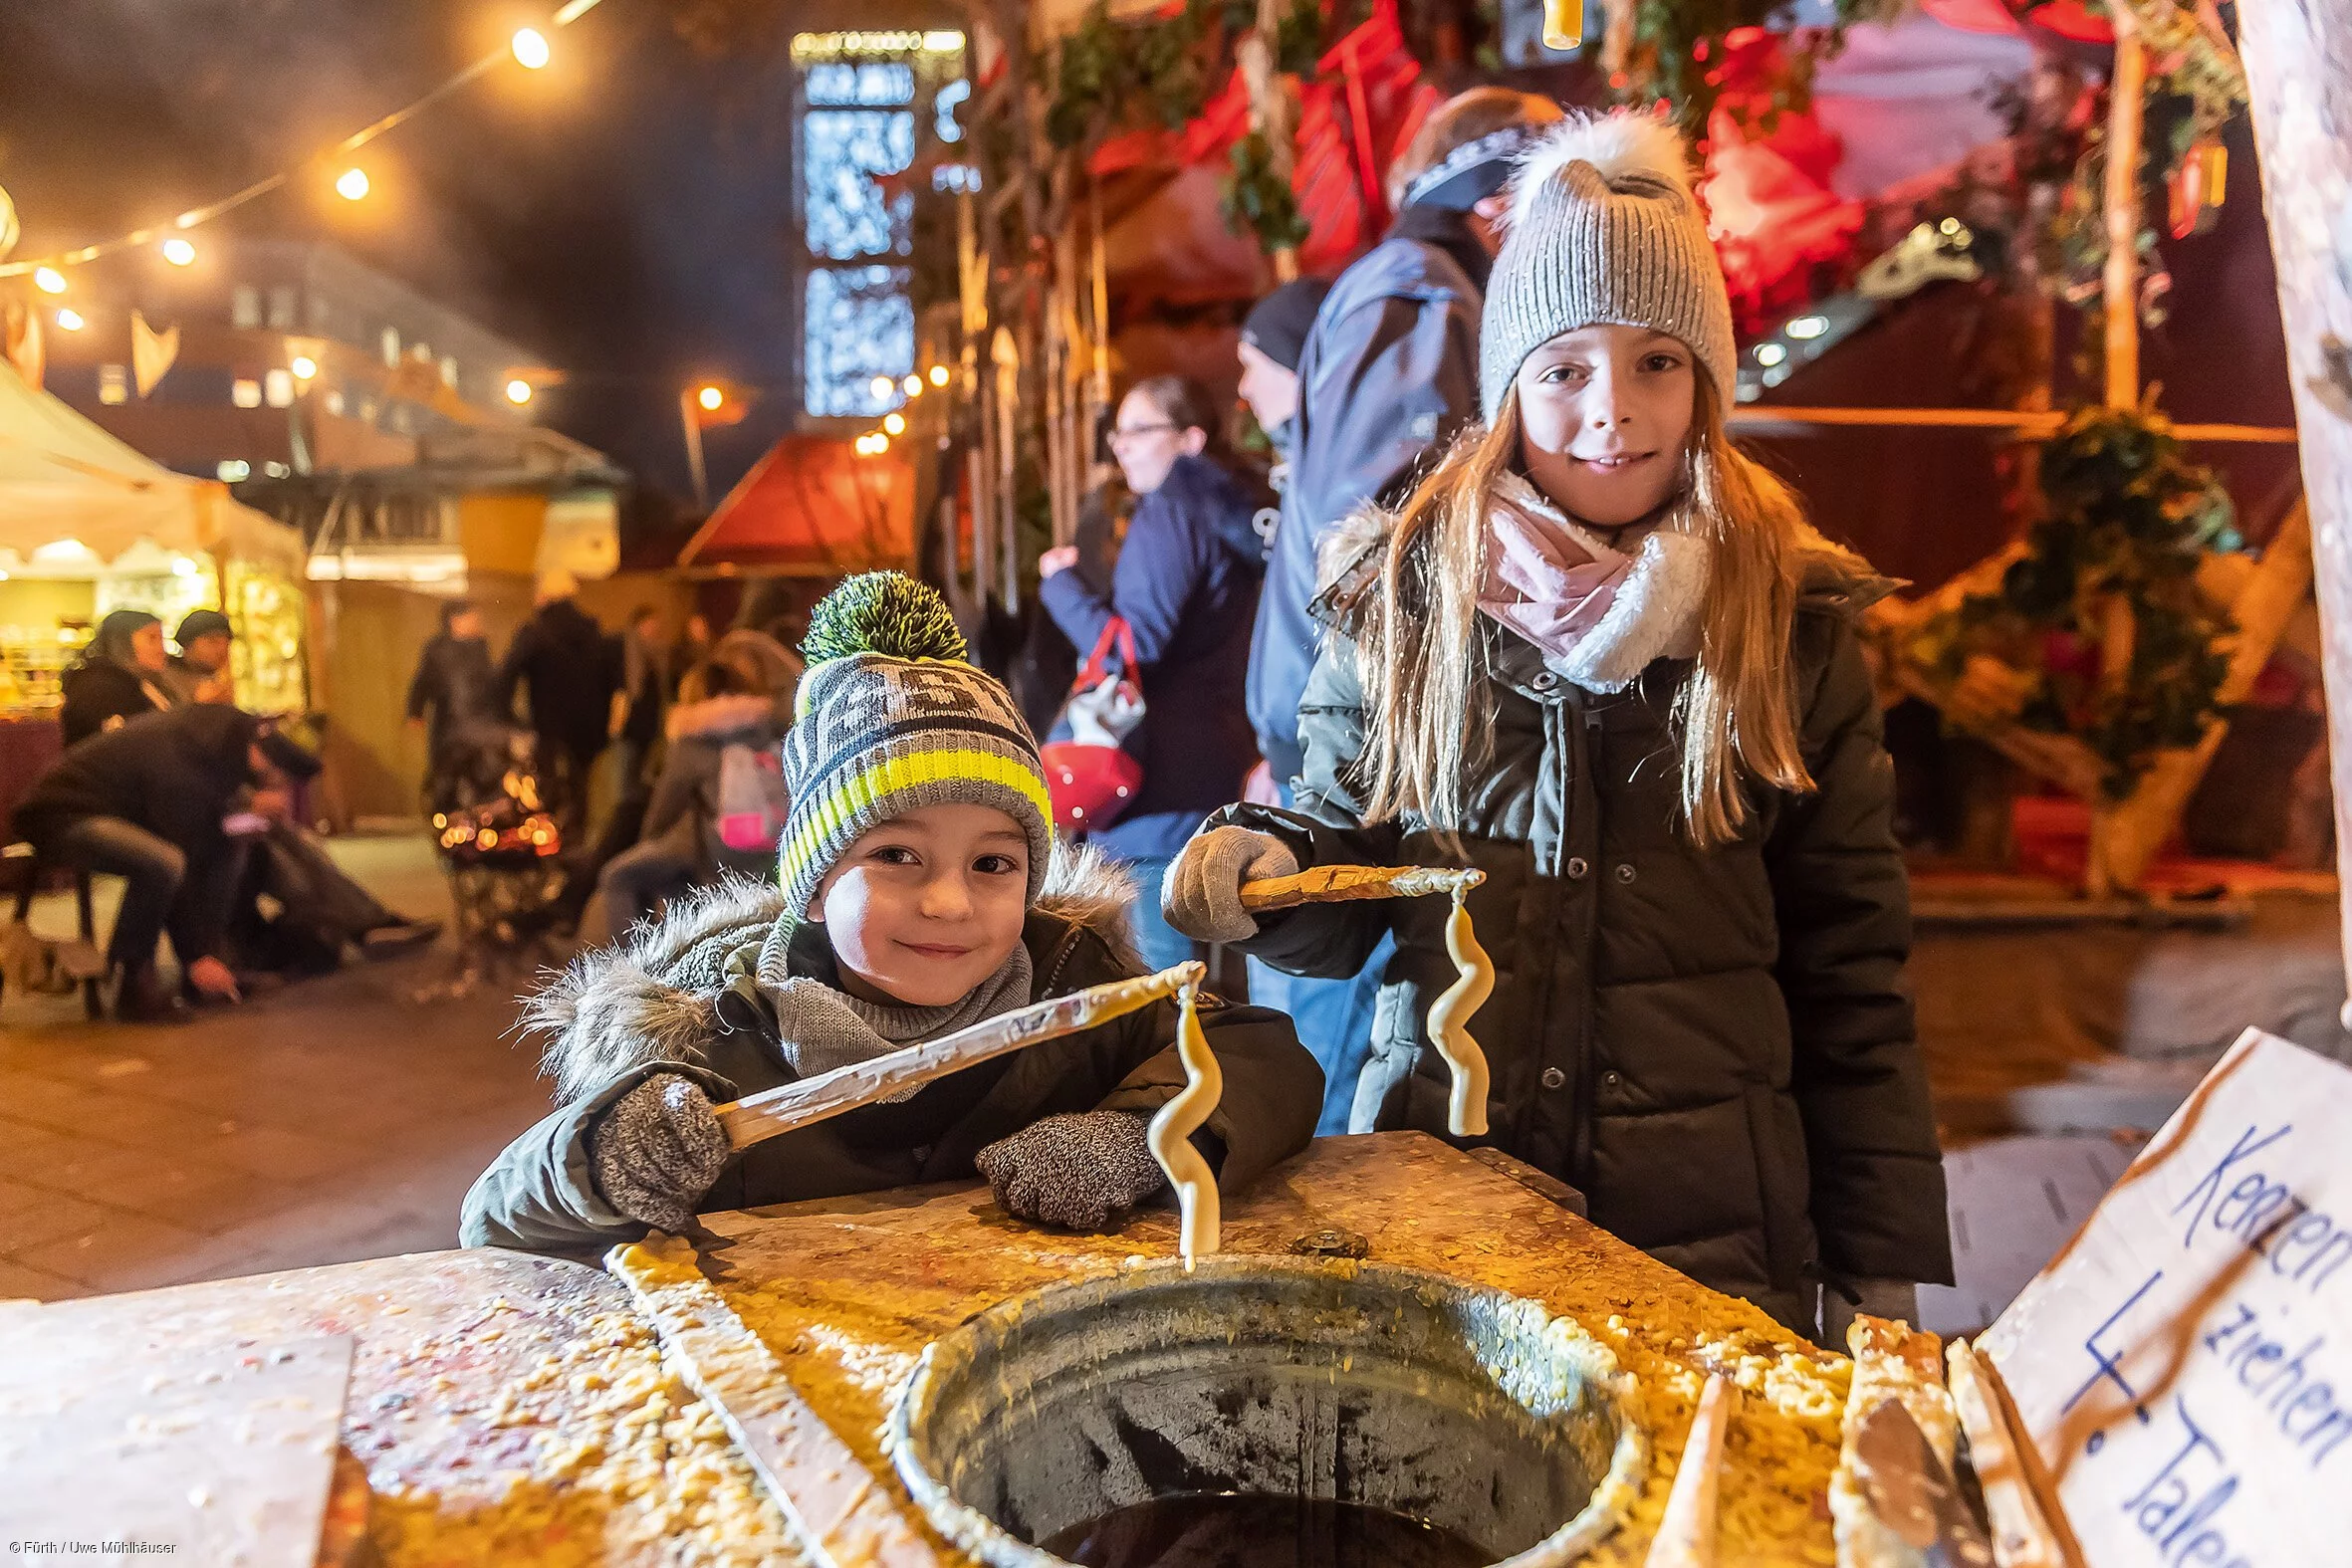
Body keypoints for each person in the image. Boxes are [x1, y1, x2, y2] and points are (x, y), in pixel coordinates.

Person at [1164, 113, 1953, 1339]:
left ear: (1705, 382)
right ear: (1510, 386)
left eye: (1657, 363)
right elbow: (1340, 841)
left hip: (1708, 1225)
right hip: (1448, 1182)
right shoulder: (1405, 599)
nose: (1612, 411)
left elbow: (1851, 960)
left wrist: (1875, 1254)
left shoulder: (1782, 619)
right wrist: (1268, 864)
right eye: (1564, 367)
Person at [460, 572, 1320, 1251]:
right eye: (896, 855)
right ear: (818, 877)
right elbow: (495, 1224)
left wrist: (1141, 1138)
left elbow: (1261, 1057)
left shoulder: (1076, 989)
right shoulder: (709, 1039)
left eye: (993, 863)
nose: (949, 900)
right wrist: (602, 1162)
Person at [1243, 88, 1563, 1129]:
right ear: (1492, 210)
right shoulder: (1427, 295)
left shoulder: (1408, 284)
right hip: (1368, 772)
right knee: (1336, 1121)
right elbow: (1385, 544)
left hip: (1350, 759)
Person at [1037, 375, 1271, 972]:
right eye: (1118, 432)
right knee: (1212, 978)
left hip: (1153, 788)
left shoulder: (1171, 511)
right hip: (1213, 763)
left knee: (1152, 990)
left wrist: (1062, 589)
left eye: (1140, 430)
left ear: (1191, 439)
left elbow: (1133, 648)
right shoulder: (1236, 517)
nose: (1121, 445)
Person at [11, 705, 323, 1021]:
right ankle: (132, 980)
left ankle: (208, 969)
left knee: (227, 846)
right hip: (60, 815)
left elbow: (202, 831)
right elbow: (180, 849)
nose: (272, 781)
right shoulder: (182, 765)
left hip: (114, 811)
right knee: (163, 862)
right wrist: (193, 954)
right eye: (274, 772)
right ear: (257, 752)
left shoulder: (216, 743)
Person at [591, 631, 799, 936]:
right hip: (778, 853)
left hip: (725, 858)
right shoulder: (774, 727)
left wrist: (649, 840)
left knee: (619, 876)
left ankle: (634, 965)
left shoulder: (695, 740)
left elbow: (663, 812)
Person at [496, 568, 619, 838]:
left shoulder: (535, 632)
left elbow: (506, 675)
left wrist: (509, 717)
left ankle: (549, 838)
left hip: (548, 724)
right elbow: (612, 679)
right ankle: (576, 837)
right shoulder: (593, 632)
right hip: (588, 726)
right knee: (580, 786)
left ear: (543, 596)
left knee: (546, 784)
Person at [405, 598, 498, 775]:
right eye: (472, 617)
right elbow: (422, 681)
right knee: (447, 773)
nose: (477, 621)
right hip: (447, 725)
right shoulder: (437, 649)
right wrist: (415, 711)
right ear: (455, 620)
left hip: (479, 725)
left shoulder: (480, 647)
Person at [59, 609, 174, 745]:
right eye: (152, 638)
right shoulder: (98, 686)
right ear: (121, 642)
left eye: (162, 639)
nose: (162, 650)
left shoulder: (142, 682)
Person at [613, 604, 669, 797]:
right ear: (639, 624)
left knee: (641, 777)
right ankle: (626, 814)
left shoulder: (659, 654)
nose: (656, 627)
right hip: (629, 723)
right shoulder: (625, 651)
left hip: (649, 724)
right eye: (651, 623)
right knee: (627, 777)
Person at [163, 609, 236, 706]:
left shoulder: (225, 679)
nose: (222, 649)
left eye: (227, 642)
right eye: (213, 641)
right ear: (188, 645)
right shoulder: (167, 680)